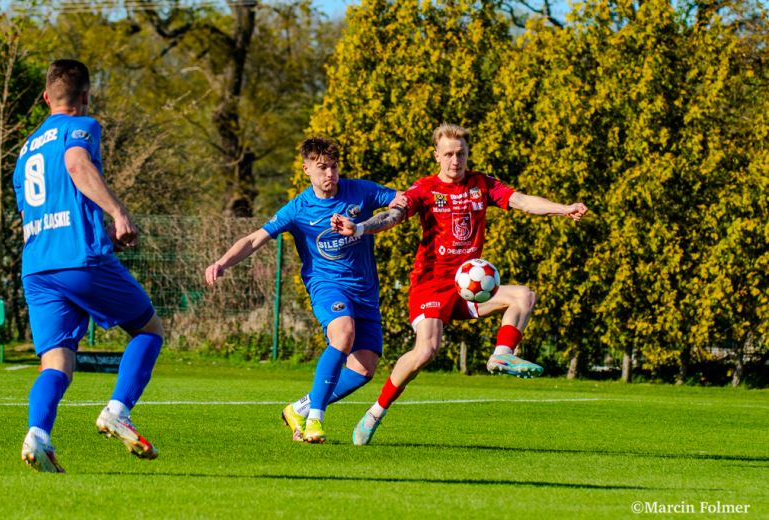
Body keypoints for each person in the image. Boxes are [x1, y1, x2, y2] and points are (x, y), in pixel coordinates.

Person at [330, 123, 588, 445]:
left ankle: (502, 354)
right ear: (436, 155)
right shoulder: (424, 189)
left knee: (524, 295)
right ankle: (375, 413)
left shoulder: (481, 184)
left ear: (468, 154)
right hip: (431, 284)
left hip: (467, 285)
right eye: (449, 154)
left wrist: (564, 209)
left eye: (461, 153)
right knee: (426, 351)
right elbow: (392, 216)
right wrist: (359, 228)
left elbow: (521, 201)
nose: (456, 160)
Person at [13, 60, 164, 473]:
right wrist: (117, 212)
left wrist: (98, 223)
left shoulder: (24, 150)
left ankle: (38, 436)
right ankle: (117, 410)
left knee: (57, 364)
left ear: (45, 97)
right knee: (149, 329)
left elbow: (43, 206)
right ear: (85, 96)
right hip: (78, 258)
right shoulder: (81, 126)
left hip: (37, 265)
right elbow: (77, 165)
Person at [205, 137, 405, 444]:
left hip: (365, 291)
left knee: (365, 368)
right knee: (343, 334)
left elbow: (401, 201)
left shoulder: (360, 191)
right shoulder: (298, 209)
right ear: (306, 169)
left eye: (334, 166)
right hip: (327, 286)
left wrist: (375, 220)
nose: (330, 174)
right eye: (322, 167)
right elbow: (254, 238)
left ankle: (298, 409)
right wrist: (222, 262)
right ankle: (315, 420)